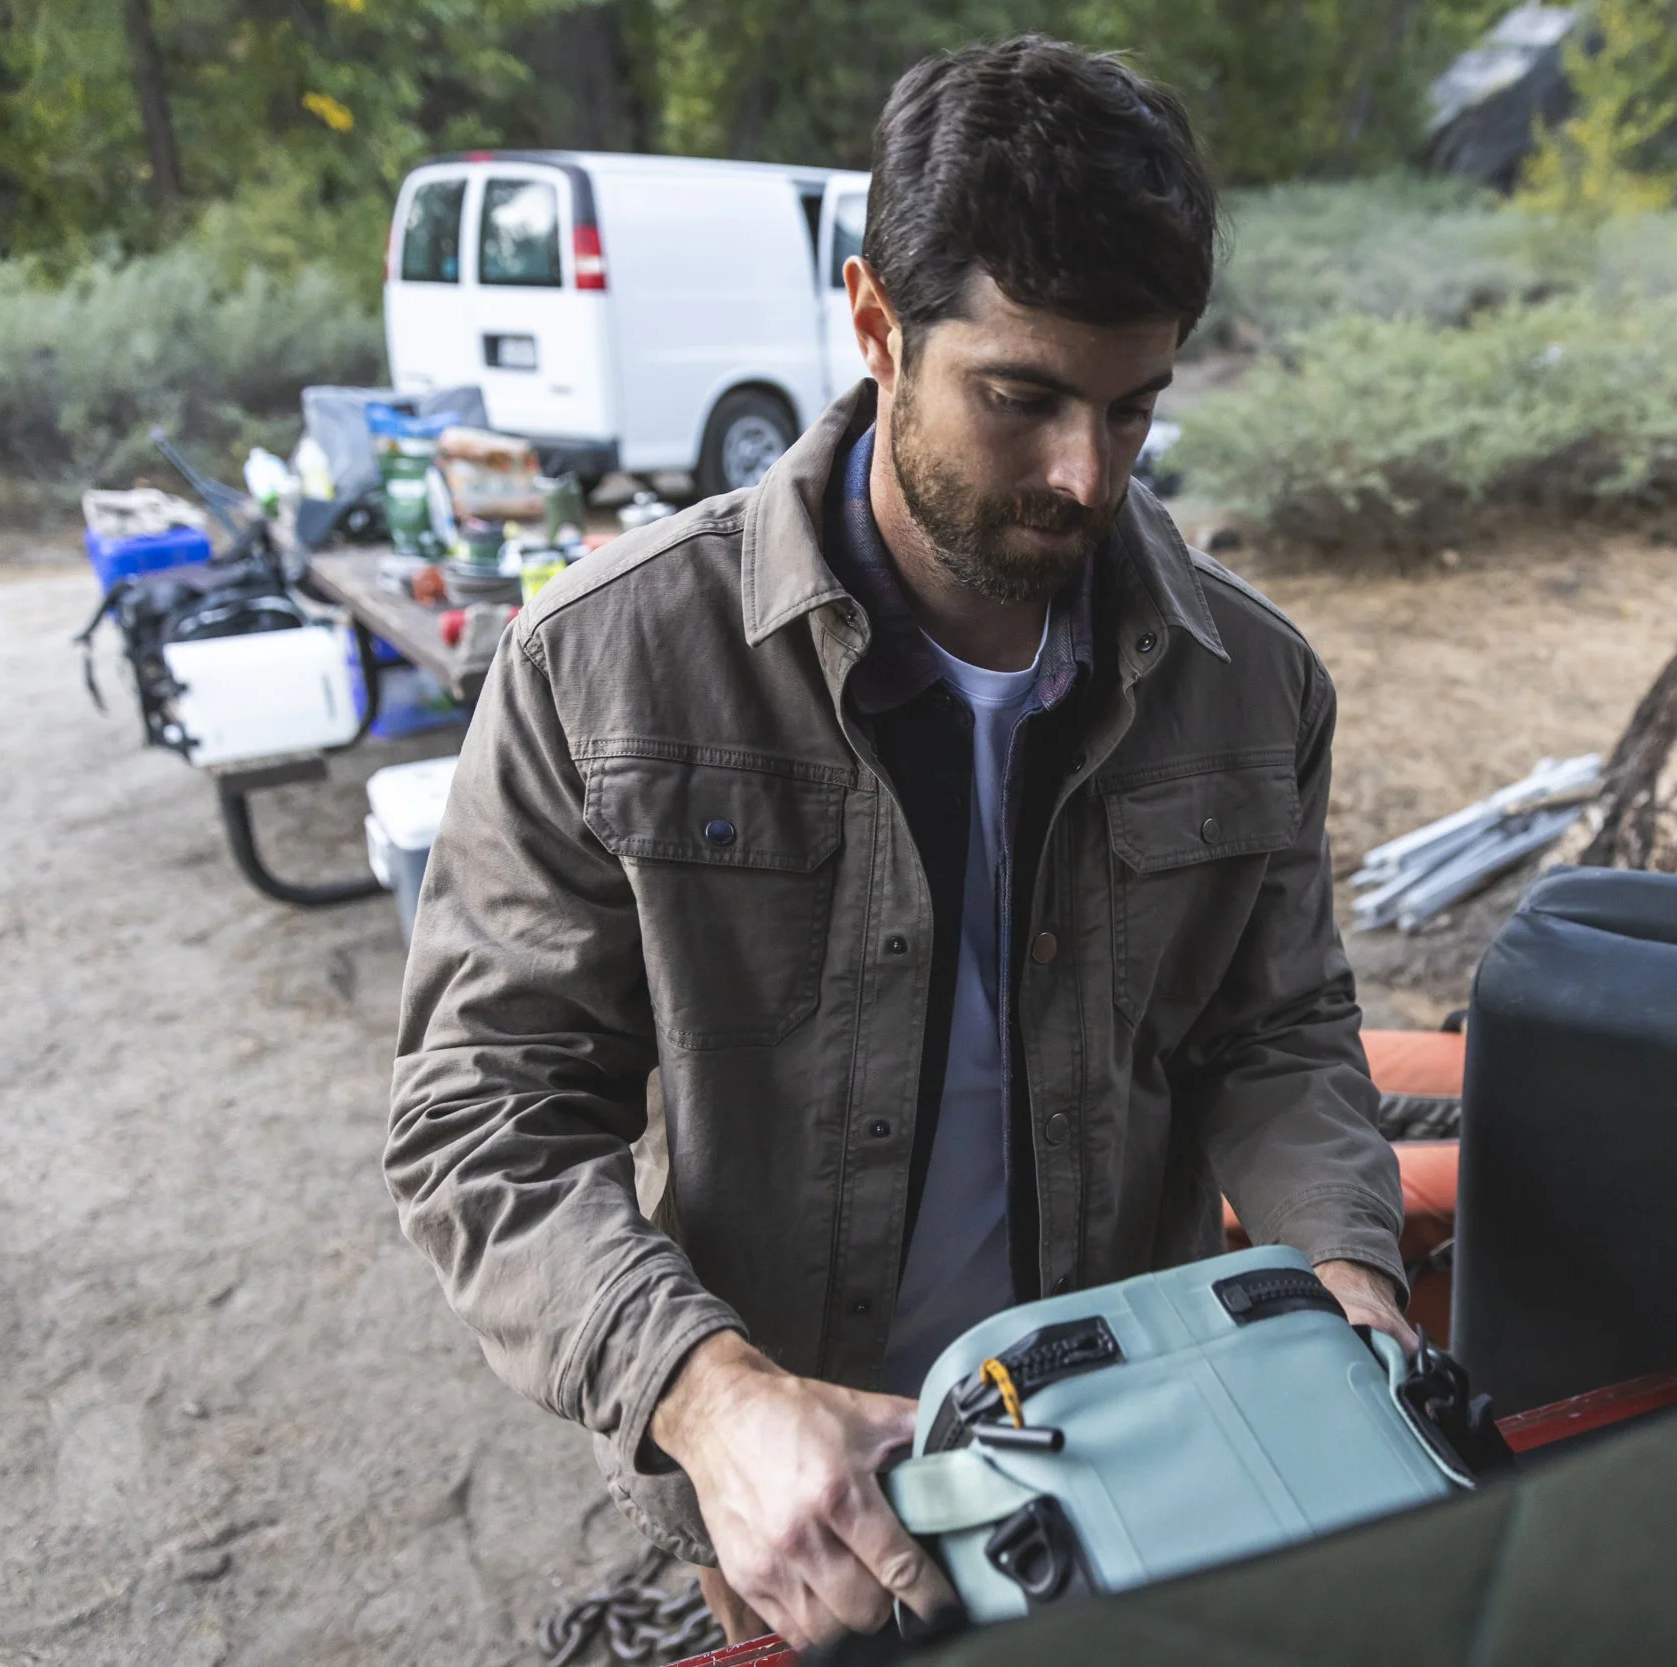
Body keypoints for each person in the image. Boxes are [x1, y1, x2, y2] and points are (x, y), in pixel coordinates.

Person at [384, 35, 1411, 1653]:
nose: (1086, 475)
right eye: (1023, 397)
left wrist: (1341, 1279)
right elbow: (480, 1116)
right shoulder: (605, 663)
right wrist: (713, 1401)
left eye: (1133, 409)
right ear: (874, 321)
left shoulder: (1255, 683)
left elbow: (1273, 1034)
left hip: (1147, 1442)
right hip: (800, 1488)